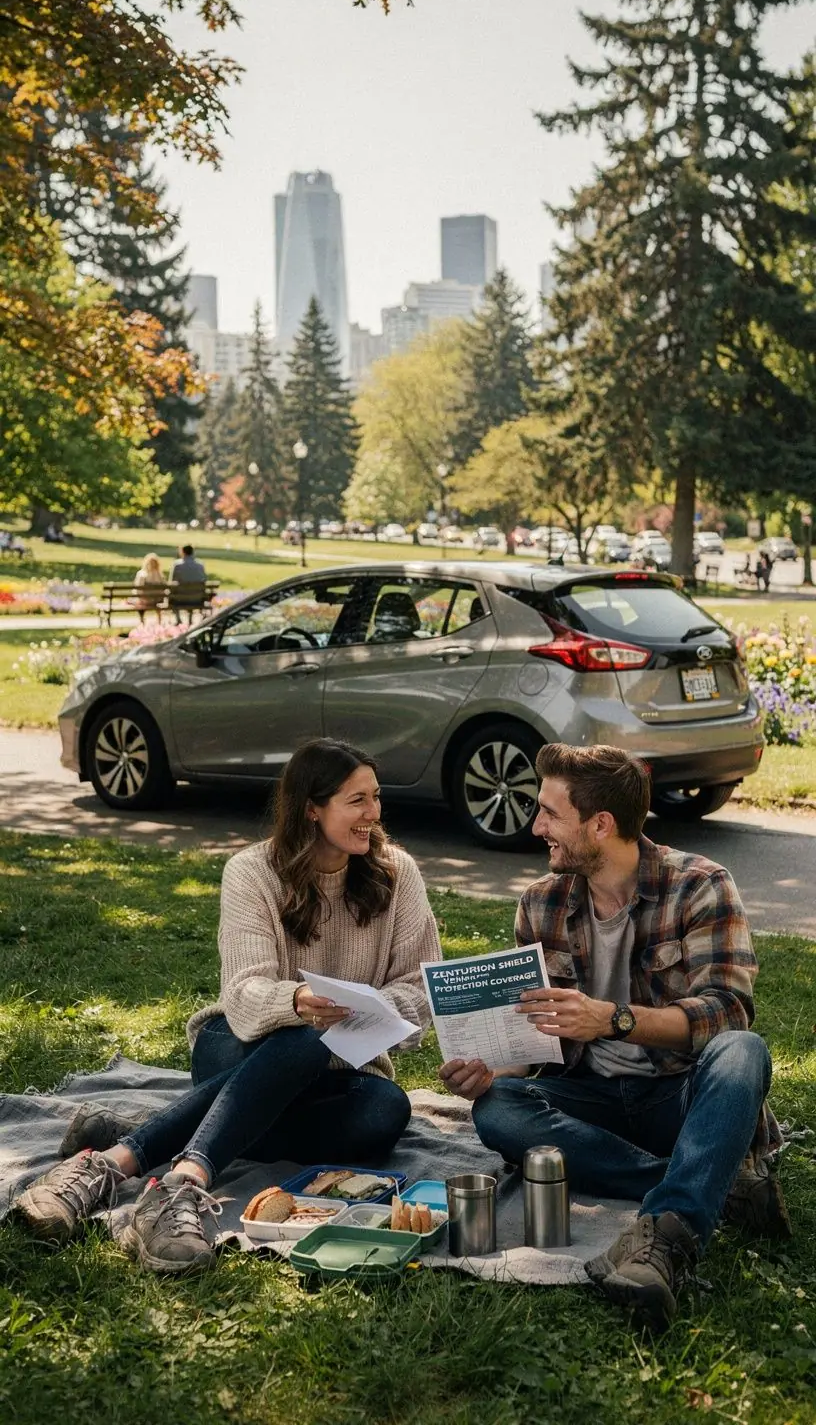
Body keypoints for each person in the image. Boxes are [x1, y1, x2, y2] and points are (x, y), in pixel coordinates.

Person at [12, 739, 442, 1274]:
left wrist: (367, 1009)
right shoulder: (251, 872)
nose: (373, 813)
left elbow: (419, 988)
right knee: (304, 1040)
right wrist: (298, 1001)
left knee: (385, 1113)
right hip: (237, 1044)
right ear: (312, 808)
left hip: (341, 1067)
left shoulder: (398, 873)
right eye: (357, 800)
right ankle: (160, 1176)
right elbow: (243, 993)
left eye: (375, 797)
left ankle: (143, 1133)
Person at [440, 743, 787, 1331]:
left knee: (743, 1052)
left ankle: (666, 1238)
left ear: (600, 824)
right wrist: (492, 1070)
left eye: (550, 813)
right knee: (497, 1108)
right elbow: (532, 1033)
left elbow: (728, 1012)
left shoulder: (700, 885)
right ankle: (711, 1185)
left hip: (678, 1096)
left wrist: (612, 1019)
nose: (536, 826)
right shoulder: (540, 904)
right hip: (590, 1100)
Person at [170, 543, 207, 623]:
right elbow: (204, 580)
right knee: (191, 591)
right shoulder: (200, 565)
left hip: (180, 599)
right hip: (197, 599)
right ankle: (190, 619)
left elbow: (172, 582)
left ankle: (178, 619)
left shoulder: (177, 565)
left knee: (173, 594)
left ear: (182, 552)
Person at [131, 552, 166, 620]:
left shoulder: (141, 574)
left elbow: (138, 590)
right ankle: (159, 619)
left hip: (145, 600)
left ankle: (142, 620)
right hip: (157, 600)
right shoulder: (160, 575)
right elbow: (164, 588)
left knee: (137, 600)